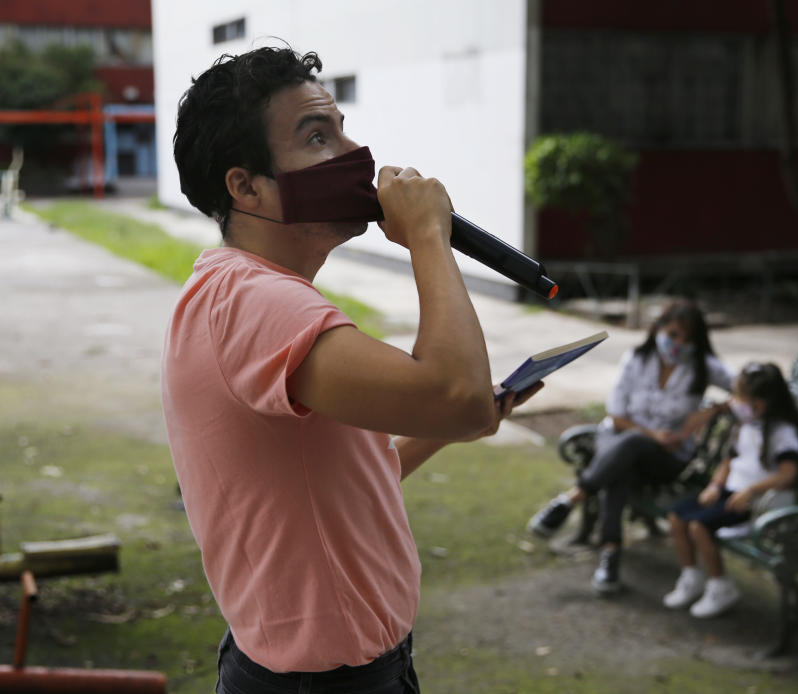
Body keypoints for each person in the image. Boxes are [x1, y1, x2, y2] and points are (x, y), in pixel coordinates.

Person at [161, 46, 540, 693]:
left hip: (326, 672)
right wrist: (426, 235)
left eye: (340, 127)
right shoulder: (257, 302)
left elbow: (358, 475)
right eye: (316, 136)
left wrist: (456, 417)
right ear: (245, 186)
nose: (351, 153)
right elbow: (458, 396)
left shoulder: (243, 292)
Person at [526, 300, 732, 595]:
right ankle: (610, 554)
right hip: (621, 441)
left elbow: (745, 388)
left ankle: (571, 499)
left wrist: (711, 410)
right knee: (622, 464)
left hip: (667, 459)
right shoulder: (637, 359)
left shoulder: (703, 366)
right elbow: (617, 416)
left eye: (688, 339)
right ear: (659, 329)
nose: (679, 344)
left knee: (628, 450)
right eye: (674, 334)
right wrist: (652, 434)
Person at [662, 362, 798, 618]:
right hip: (729, 492)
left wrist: (752, 491)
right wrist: (714, 485)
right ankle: (691, 576)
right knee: (677, 517)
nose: (734, 402)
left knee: (699, 527)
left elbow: (788, 474)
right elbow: (728, 461)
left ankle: (720, 585)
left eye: (739, 397)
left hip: (754, 503)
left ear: (761, 403)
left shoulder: (782, 433)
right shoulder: (745, 425)